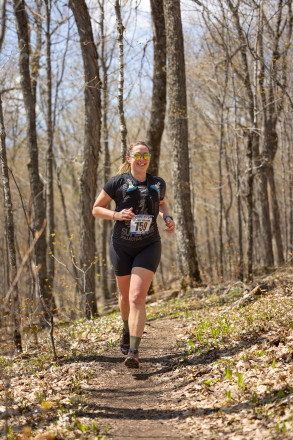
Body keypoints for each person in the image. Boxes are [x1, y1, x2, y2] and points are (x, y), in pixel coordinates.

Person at [92, 141, 175, 368]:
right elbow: (96, 208)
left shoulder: (158, 183)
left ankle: (134, 352)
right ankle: (126, 329)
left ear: (149, 158)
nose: (142, 159)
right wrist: (117, 215)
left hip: (149, 244)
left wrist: (166, 217)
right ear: (129, 158)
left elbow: (162, 204)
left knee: (137, 297)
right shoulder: (117, 182)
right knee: (124, 296)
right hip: (121, 246)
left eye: (145, 155)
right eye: (137, 155)